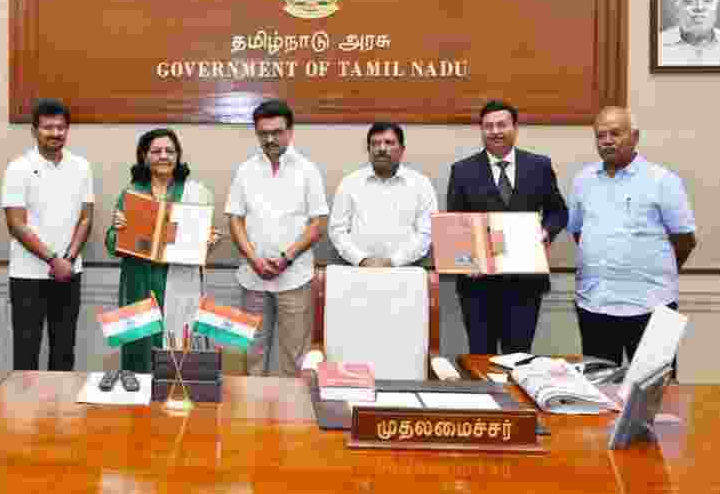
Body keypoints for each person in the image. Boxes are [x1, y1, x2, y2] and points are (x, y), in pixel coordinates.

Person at [568, 107, 696, 365]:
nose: (607, 141)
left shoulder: (663, 180)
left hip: (653, 307)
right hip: (595, 306)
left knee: (656, 395)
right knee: (598, 393)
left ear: (634, 136)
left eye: (615, 133)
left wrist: (654, 272)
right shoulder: (583, 180)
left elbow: (685, 240)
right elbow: (580, 233)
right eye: (600, 135)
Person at [446, 100, 568, 355]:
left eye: (502, 125)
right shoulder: (462, 170)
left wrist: (545, 233)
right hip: (479, 287)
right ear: (481, 131)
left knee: (519, 357)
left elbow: (558, 212)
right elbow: (456, 224)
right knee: (481, 356)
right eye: (488, 126)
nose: (495, 131)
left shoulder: (539, 166)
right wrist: (468, 262)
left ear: (515, 128)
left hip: (524, 283)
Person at [225, 100, 328, 378]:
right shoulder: (245, 170)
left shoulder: (308, 170)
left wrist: (286, 258)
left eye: (277, 132)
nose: (270, 139)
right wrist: (254, 259)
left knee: (293, 357)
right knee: (250, 354)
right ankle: (248, 418)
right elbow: (234, 219)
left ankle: (291, 420)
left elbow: (318, 223)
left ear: (290, 131)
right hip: (252, 277)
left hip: (295, 278)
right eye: (263, 133)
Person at [105, 129, 222, 372]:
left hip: (179, 280)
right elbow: (111, 242)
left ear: (178, 156)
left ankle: (173, 398)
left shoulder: (196, 193)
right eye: (156, 151)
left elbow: (201, 244)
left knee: (177, 349)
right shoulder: (131, 193)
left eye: (170, 151)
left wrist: (208, 240)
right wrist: (118, 230)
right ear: (144, 156)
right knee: (139, 350)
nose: (163, 156)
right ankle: (137, 406)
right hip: (139, 282)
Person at [2, 99, 94, 371]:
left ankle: (61, 413)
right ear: (34, 130)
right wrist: (54, 260)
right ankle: (25, 414)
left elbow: (86, 217)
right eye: (48, 127)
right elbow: (16, 224)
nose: (55, 133)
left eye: (61, 127)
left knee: (64, 350)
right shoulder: (17, 168)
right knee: (26, 351)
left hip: (69, 273)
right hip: (28, 275)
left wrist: (68, 259)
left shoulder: (82, 166)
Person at [330, 122, 437, 267]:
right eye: (375, 143)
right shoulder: (350, 184)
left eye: (389, 143)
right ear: (368, 149)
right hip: (359, 271)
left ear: (402, 149)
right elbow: (337, 230)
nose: (381, 148)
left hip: (404, 271)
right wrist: (361, 259)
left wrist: (394, 261)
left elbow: (427, 233)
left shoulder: (421, 184)